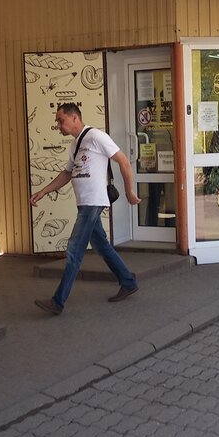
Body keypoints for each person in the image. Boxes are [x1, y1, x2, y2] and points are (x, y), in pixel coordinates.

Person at [31, 102, 141, 313]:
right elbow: (67, 174)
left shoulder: (96, 136)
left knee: (74, 250)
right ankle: (128, 282)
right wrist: (44, 191)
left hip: (93, 202)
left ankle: (58, 302)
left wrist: (129, 192)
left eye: (61, 120)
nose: (58, 125)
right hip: (84, 203)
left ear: (74, 118)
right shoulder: (75, 145)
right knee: (101, 246)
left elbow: (124, 162)